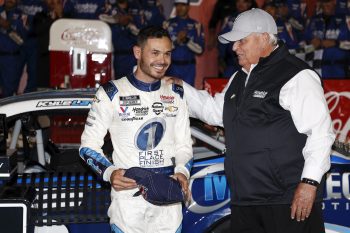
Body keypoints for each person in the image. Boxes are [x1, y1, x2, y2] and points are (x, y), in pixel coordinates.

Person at [170, 8, 335, 233]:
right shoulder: (239, 77)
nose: (234, 47)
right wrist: (179, 87)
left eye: (241, 41)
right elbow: (214, 112)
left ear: (264, 38)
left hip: (287, 200)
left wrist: (309, 183)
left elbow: (320, 134)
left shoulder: (297, 75)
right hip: (245, 200)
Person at [79, 25, 193, 233]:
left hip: (168, 205)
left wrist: (182, 171)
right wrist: (109, 172)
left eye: (167, 54)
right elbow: (87, 147)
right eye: (155, 53)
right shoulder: (111, 93)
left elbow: (184, 146)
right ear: (137, 52)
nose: (162, 61)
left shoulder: (176, 93)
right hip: (128, 205)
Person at [304, 0, 350, 78]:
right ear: (321, 3)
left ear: (334, 2)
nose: (327, 5)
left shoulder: (346, 19)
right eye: (325, 3)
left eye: (329, 2)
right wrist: (311, 43)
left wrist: (336, 43)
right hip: (317, 68)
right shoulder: (313, 20)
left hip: (340, 68)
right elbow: (303, 46)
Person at [163, 0, 204, 86]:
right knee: (171, 96)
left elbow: (200, 50)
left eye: (183, 5)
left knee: (187, 96)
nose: (179, 8)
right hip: (172, 66)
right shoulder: (167, 24)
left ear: (188, 6)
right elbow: (162, 48)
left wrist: (186, 40)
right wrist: (177, 41)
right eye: (177, 5)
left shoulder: (196, 25)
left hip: (189, 68)